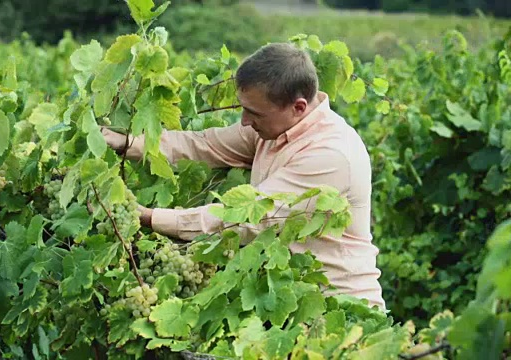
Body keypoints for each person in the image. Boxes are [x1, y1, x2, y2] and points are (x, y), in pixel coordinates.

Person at [102, 42, 386, 310]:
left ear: (298, 107)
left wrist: (150, 217)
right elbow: (204, 145)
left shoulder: (331, 155)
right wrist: (126, 143)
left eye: (254, 113)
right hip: (288, 301)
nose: (245, 122)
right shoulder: (271, 127)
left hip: (342, 308)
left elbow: (247, 218)